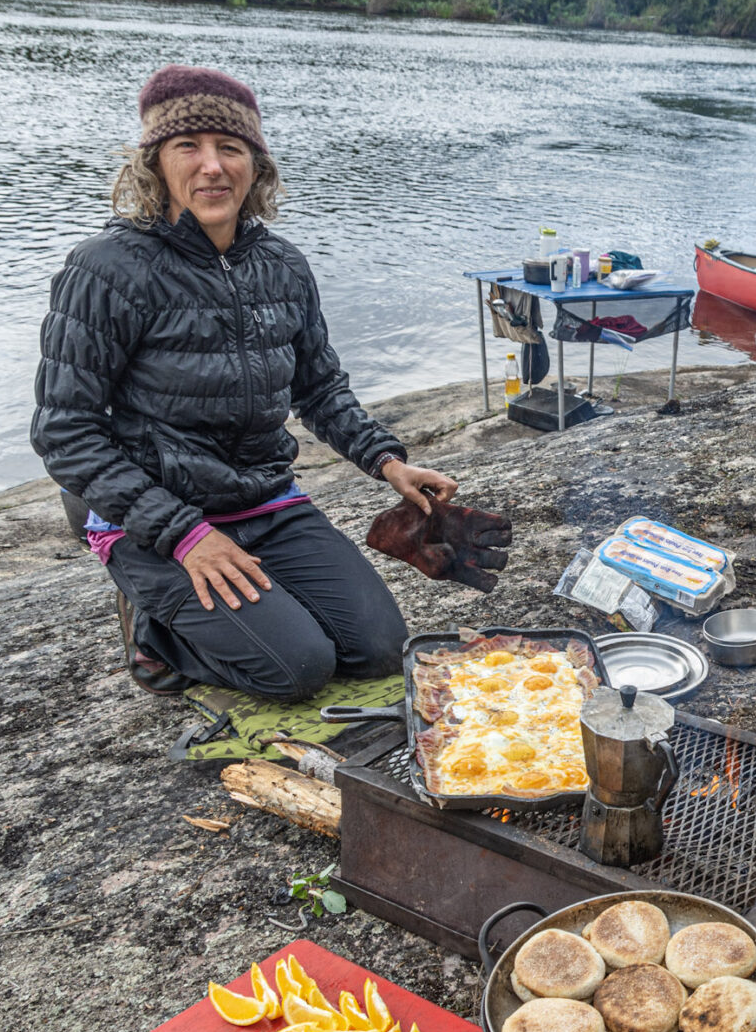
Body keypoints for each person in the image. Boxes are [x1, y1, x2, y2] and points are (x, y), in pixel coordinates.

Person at [32, 65, 456, 701]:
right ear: (155, 163)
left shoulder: (282, 265)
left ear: (256, 165)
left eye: (230, 148)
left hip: (263, 502)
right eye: (188, 147)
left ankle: (247, 611)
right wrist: (185, 535)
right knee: (298, 669)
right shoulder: (106, 269)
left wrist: (387, 460)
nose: (212, 167)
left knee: (377, 650)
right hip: (157, 518)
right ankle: (155, 632)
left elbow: (319, 387)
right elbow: (64, 430)